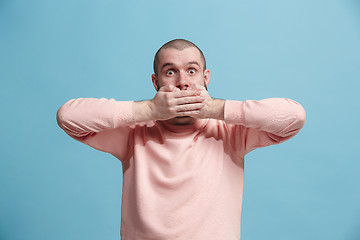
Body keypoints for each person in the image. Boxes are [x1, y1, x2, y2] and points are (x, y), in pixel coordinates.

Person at [57, 39, 306, 240]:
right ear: (156, 82)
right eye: (170, 72)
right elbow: (68, 116)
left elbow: (294, 117)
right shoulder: (133, 132)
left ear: (205, 78)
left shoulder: (231, 132)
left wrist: (216, 109)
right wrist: (149, 111)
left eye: (191, 71)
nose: (182, 82)